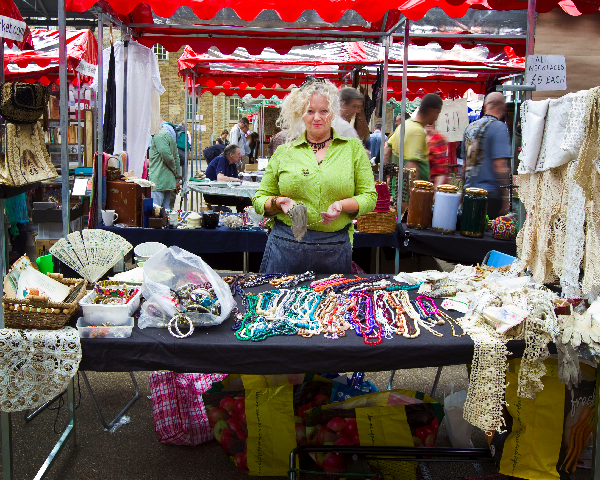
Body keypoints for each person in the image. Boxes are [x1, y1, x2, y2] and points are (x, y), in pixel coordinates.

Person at [253, 78, 377, 274]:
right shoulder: (284, 152)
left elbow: (369, 196)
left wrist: (342, 205)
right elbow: (259, 199)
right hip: (285, 246)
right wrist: (278, 202)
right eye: (310, 111)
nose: (317, 118)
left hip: (333, 248)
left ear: (333, 113)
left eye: (323, 111)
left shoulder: (353, 149)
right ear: (300, 115)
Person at [461, 92, 512, 218]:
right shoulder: (499, 127)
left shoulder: (469, 127)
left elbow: (464, 166)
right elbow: (500, 165)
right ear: (504, 107)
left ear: (484, 106)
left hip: (469, 192)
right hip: (489, 195)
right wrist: (506, 197)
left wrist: (463, 192)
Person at [383, 93, 443, 181]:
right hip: (409, 188)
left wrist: (388, 177)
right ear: (431, 111)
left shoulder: (404, 125)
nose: (436, 118)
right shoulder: (417, 131)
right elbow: (412, 168)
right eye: (437, 113)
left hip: (397, 186)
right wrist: (414, 188)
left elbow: (387, 149)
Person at [204, 145, 251, 212]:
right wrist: (236, 180)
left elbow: (237, 182)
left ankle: (242, 216)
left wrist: (240, 192)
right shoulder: (221, 159)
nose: (240, 156)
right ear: (231, 154)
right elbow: (220, 178)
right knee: (245, 201)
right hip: (212, 193)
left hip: (223, 192)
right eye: (238, 154)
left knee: (245, 198)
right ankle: (243, 217)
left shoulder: (232, 164)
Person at [149, 120, 181, 210]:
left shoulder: (158, 136)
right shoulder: (167, 134)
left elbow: (167, 156)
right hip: (167, 181)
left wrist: (174, 170)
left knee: (156, 212)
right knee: (166, 211)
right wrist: (177, 177)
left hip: (159, 179)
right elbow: (176, 157)